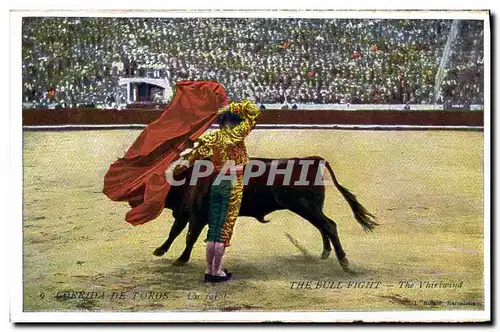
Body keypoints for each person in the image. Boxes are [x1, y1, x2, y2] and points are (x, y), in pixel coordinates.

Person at [173, 100, 261, 282]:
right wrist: (232, 107)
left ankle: (208, 270)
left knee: (214, 228)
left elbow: (189, 158)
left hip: (217, 182)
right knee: (224, 230)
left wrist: (175, 171)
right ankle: (217, 271)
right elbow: (254, 111)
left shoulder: (211, 138)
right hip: (233, 183)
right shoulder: (237, 134)